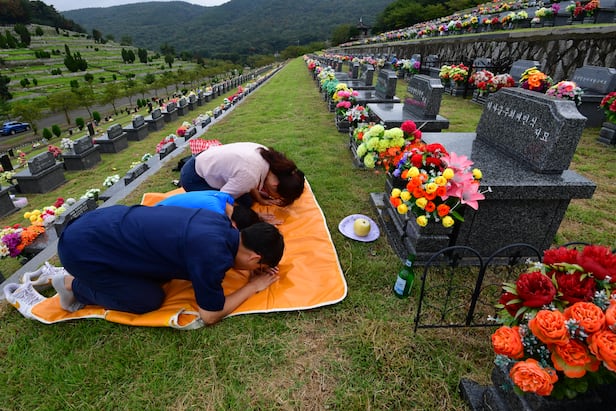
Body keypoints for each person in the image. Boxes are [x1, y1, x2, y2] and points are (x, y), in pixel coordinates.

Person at [50, 204, 284, 326]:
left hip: (96, 224)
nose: (254, 273)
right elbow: (210, 315)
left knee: (163, 276)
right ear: (254, 258)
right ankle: (73, 285)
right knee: (147, 300)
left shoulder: (219, 221)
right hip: (80, 251)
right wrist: (253, 286)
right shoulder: (213, 255)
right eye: (258, 269)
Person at [179, 142, 305, 207]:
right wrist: (257, 217)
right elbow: (221, 200)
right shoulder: (250, 174)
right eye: (277, 197)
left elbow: (249, 182)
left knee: (247, 200)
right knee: (241, 211)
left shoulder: (267, 156)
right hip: (194, 177)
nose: (274, 198)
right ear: (275, 185)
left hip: (204, 158)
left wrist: (260, 199)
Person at [154, 190, 261, 230]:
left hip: (160, 208)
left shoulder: (225, 198)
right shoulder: (216, 214)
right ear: (235, 225)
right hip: (159, 219)